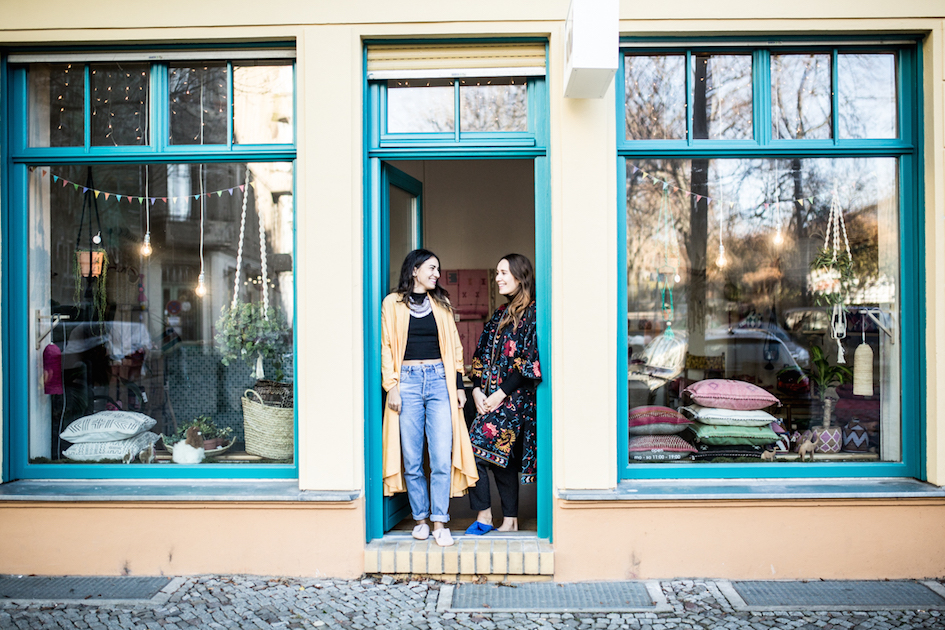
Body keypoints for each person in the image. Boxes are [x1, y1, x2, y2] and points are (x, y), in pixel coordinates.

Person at [381, 249, 479, 547]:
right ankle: (420, 519)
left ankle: (440, 522)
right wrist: (392, 386)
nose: (437, 274)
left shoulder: (442, 303)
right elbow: (386, 346)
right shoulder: (392, 303)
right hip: (407, 383)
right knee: (412, 458)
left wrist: (460, 386)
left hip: (440, 382)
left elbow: (456, 348)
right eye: (432, 268)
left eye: (438, 269)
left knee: (440, 456)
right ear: (414, 270)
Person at [465, 253, 541, 534]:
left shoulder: (533, 313)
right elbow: (480, 356)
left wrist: (499, 394)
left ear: (521, 277)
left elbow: (529, 362)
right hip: (487, 398)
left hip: (514, 402)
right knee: (500, 459)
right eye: (497, 272)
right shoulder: (499, 313)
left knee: (474, 451)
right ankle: (510, 521)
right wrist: (475, 391)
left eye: (503, 273)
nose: (497, 278)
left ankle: (484, 517)